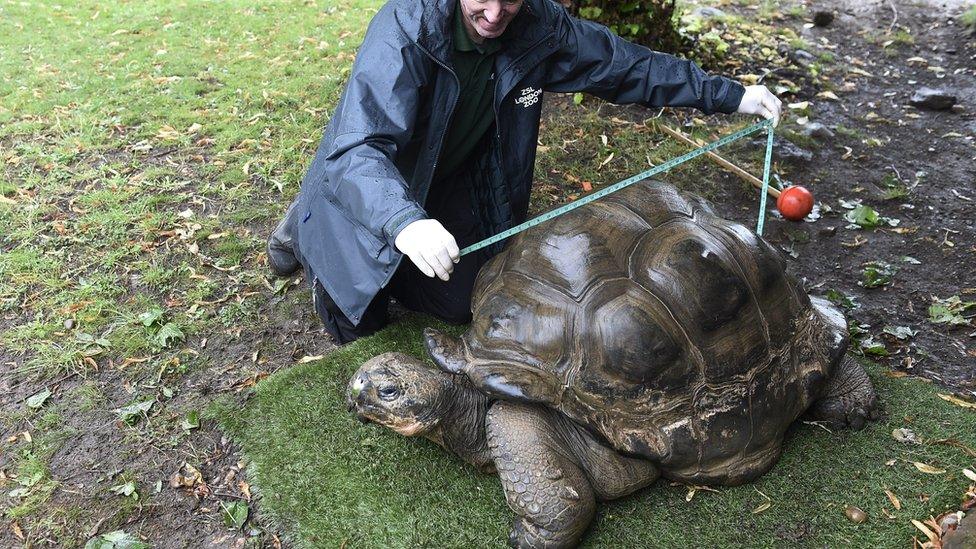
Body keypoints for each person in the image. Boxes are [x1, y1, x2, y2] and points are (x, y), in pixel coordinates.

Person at [267, 0, 782, 344]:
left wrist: (731, 95)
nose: (495, 15)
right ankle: (309, 228)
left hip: (443, 184)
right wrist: (405, 223)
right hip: (368, 182)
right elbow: (358, 148)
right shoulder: (406, 24)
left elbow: (628, 65)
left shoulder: (539, 26)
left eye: (510, 0)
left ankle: (378, 240)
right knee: (360, 322)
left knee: (460, 302)